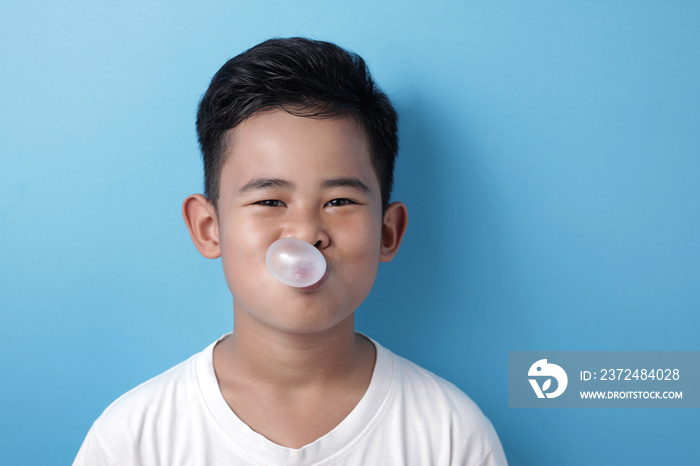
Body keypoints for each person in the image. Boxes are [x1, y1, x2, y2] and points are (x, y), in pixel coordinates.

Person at [74, 37, 508, 465]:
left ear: (387, 233)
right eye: (269, 202)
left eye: (339, 201)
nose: (305, 233)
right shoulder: (133, 440)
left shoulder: (450, 436)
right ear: (209, 228)